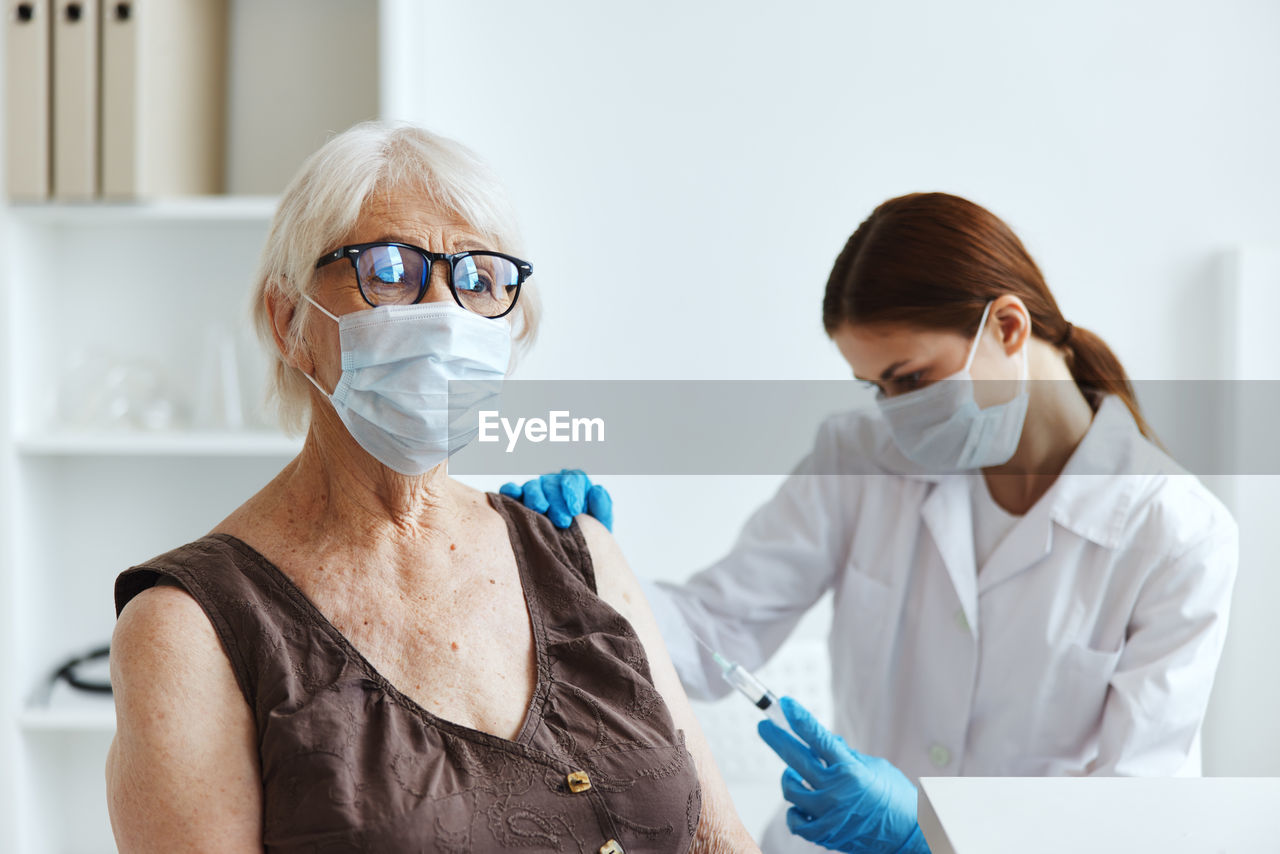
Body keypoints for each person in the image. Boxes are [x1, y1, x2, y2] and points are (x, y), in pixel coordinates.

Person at [502, 192, 1239, 853]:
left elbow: (1136, 820)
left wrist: (932, 834)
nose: (895, 412)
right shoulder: (860, 457)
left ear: (1008, 327)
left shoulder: (1177, 534)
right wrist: (589, 566)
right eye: (878, 387)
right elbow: (712, 631)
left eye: (912, 379)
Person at [105, 122, 760, 853]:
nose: (445, 314)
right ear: (290, 321)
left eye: (480, 280)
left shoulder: (579, 553)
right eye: (389, 269)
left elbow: (718, 840)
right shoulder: (191, 627)